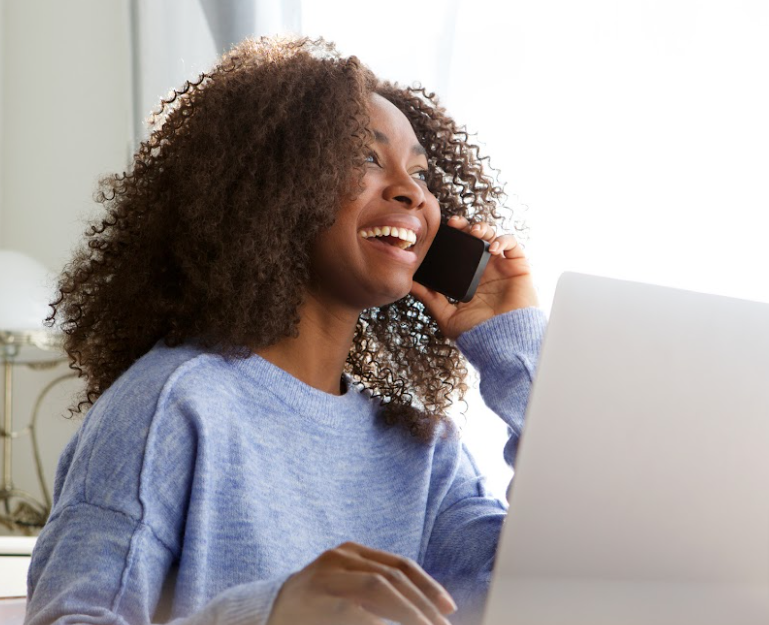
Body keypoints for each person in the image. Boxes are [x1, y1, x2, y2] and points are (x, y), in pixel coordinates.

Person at [25, 36, 545, 625]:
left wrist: (514, 350)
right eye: (366, 158)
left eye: (421, 174)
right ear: (272, 187)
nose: (411, 191)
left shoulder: (425, 451)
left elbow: (555, 593)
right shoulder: (177, 402)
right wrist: (271, 614)